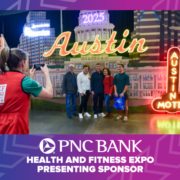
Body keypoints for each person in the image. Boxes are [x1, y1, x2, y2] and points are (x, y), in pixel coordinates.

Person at [0, 47, 53, 134]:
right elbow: (49, 94)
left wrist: (30, 77)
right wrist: (47, 74)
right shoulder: (25, 81)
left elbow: (17, 94)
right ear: (22, 63)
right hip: (15, 130)